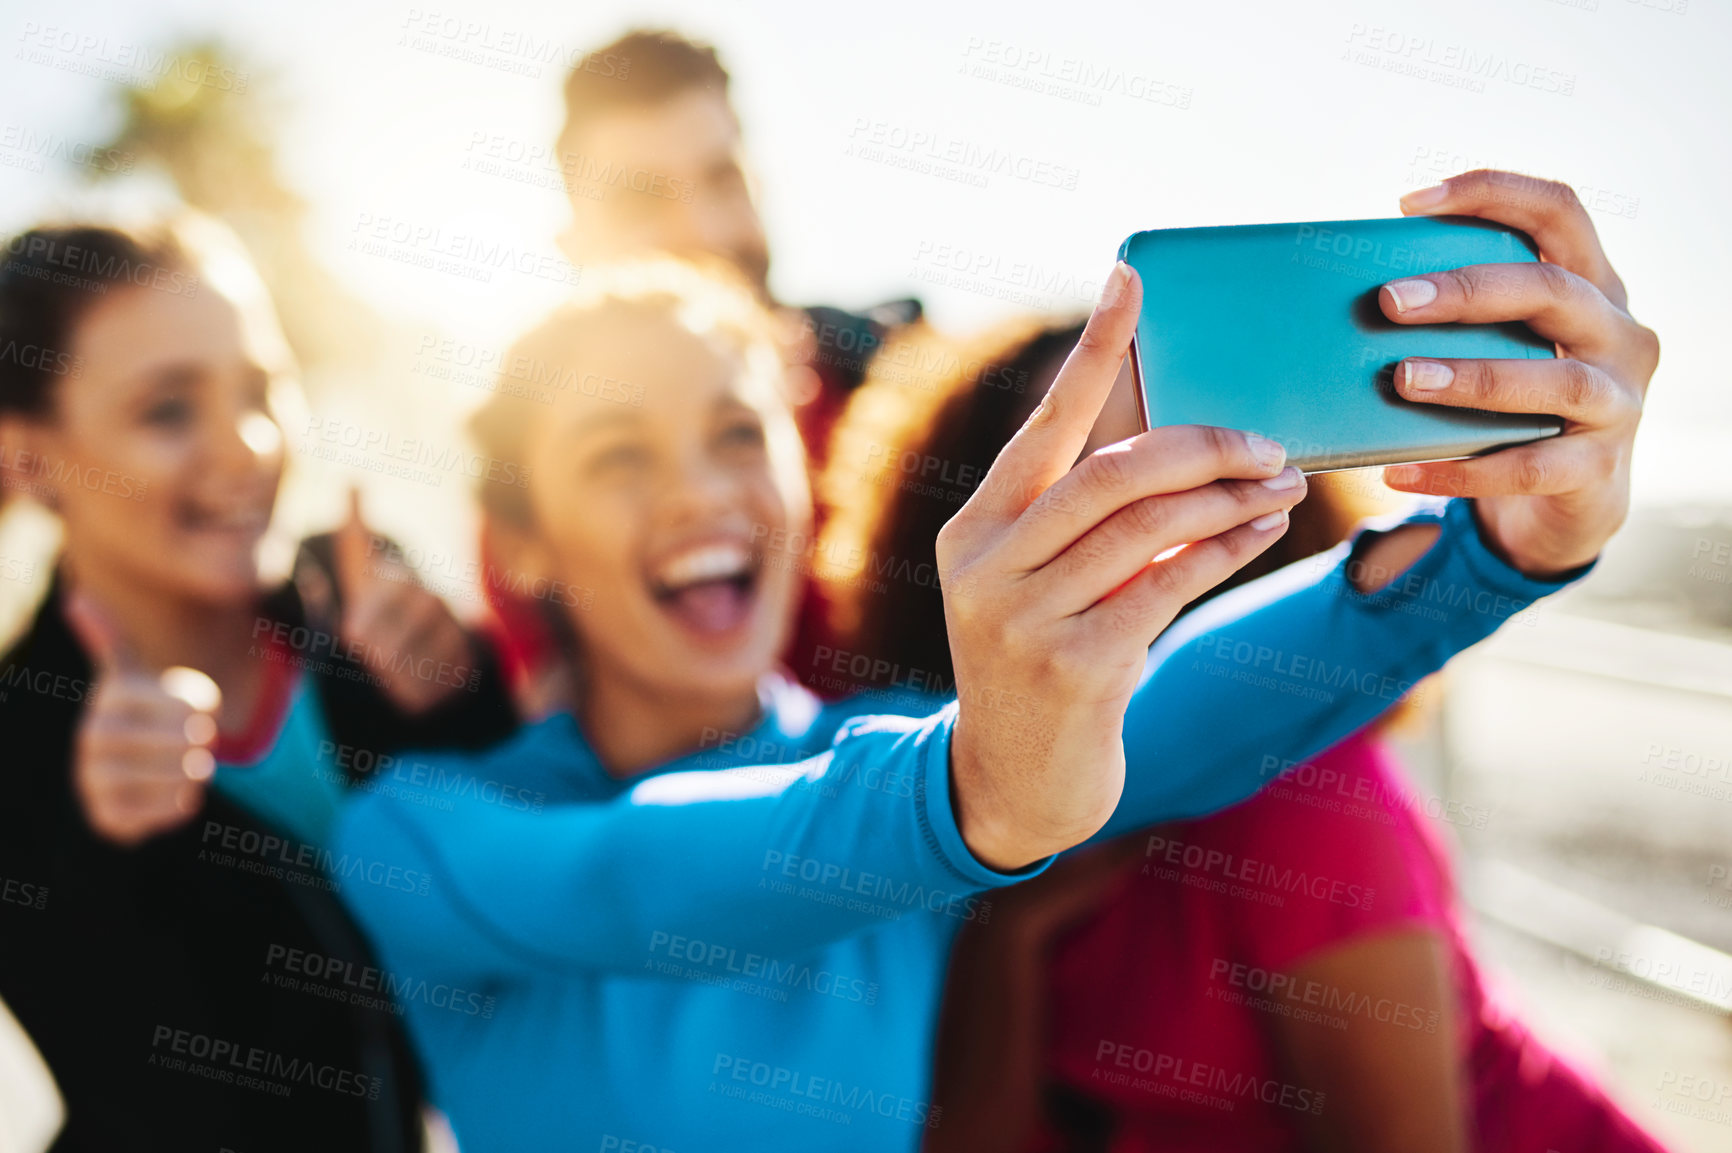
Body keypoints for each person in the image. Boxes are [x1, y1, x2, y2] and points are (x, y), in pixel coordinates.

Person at [330, 168, 1654, 1152]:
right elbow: (632, 879)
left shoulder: (920, 755)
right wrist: (976, 787)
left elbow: (1180, 700)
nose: (699, 494)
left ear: (803, 472)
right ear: (524, 540)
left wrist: (1500, 540)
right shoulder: (423, 834)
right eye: (618, 454)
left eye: (737, 434)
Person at [821, 317, 1669, 1152]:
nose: (1136, 519)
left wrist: (1502, 547)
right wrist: (1007, 932)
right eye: (1078, 477)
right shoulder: (928, 808)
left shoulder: (1304, 803)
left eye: (1178, 467)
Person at [0, 215, 518, 1151]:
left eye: (261, 388)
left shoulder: (366, 594)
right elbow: (136, 1083)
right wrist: (102, 844)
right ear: (28, 455)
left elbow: (530, 896)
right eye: (168, 409)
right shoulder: (20, 752)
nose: (246, 444)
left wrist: (462, 691)